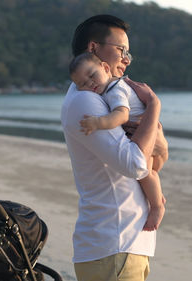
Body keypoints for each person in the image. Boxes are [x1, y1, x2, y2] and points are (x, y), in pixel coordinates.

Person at [60, 14, 168, 281]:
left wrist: (156, 140)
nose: (127, 59)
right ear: (94, 48)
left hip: (121, 247)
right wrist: (154, 106)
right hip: (114, 246)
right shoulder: (87, 100)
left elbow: (154, 156)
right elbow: (135, 165)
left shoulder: (104, 96)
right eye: (121, 50)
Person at [68, 52, 167, 231]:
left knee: (147, 173)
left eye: (92, 76)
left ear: (106, 68)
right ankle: (157, 197)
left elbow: (122, 115)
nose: (90, 83)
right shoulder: (105, 89)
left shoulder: (114, 89)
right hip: (142, 133)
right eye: (83, 84)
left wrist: (99, 122)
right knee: (149, 172)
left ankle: (157, 205)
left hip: (142, 132)